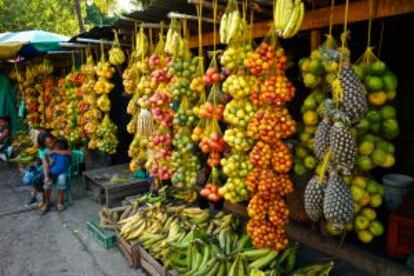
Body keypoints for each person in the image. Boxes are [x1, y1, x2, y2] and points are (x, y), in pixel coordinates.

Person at [40, 138, 71, 214]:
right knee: (47, 183)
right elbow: (50, 164)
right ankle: (46, 203)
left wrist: (54, 152)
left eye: (55, 146)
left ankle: (59, 202)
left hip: (61, 172)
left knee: (61, 179)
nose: (53, 146)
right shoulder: (49, 152)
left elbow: (69, 153)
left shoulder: (65, 152)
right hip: (52, 172)